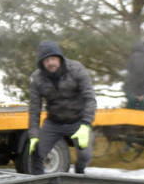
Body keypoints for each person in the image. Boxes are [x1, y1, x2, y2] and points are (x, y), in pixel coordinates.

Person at [28, 39, 97, 174]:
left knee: (85, 156)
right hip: (53, 123)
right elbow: (34, 109)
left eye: (53, 58)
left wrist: (86, 124)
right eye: (46, 60)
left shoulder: (76, 69)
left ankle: (79, 171)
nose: (50, 63)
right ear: (41, 62)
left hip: (77, 120)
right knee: (35, 153)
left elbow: (90, 98)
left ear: (60, 58)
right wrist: (33, 135)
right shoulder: (37, 78)